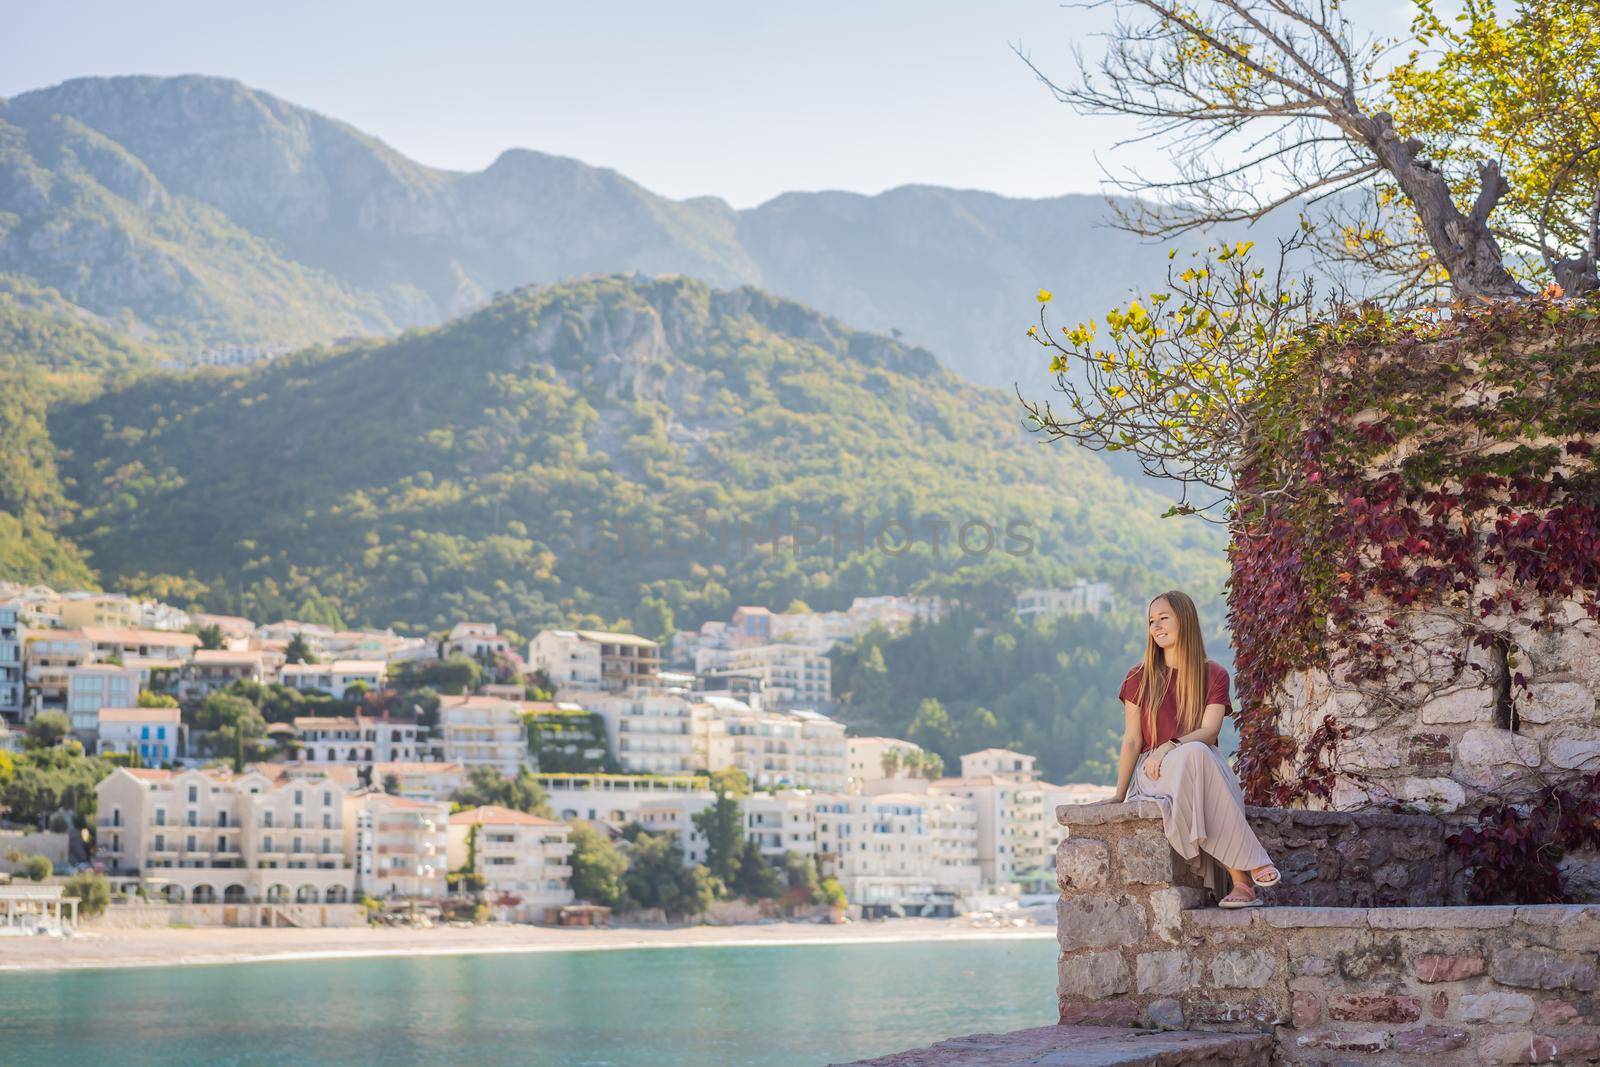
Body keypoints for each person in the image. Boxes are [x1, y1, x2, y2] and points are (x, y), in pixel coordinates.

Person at [1106, 589, 1279, 908]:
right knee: (1196, 756)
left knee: (1197, 755)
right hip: (1154, 773)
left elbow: (1210, 730)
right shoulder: (1138, 677)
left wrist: (1169, 746)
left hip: (1198, 761)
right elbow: (1132, 740)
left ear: (1184, 621)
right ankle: (1245, 875)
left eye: (1164, 618)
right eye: (1151, 621)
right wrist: (1119, 794)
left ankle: (1243, 884)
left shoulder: (1214, 673)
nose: (1156, 626)